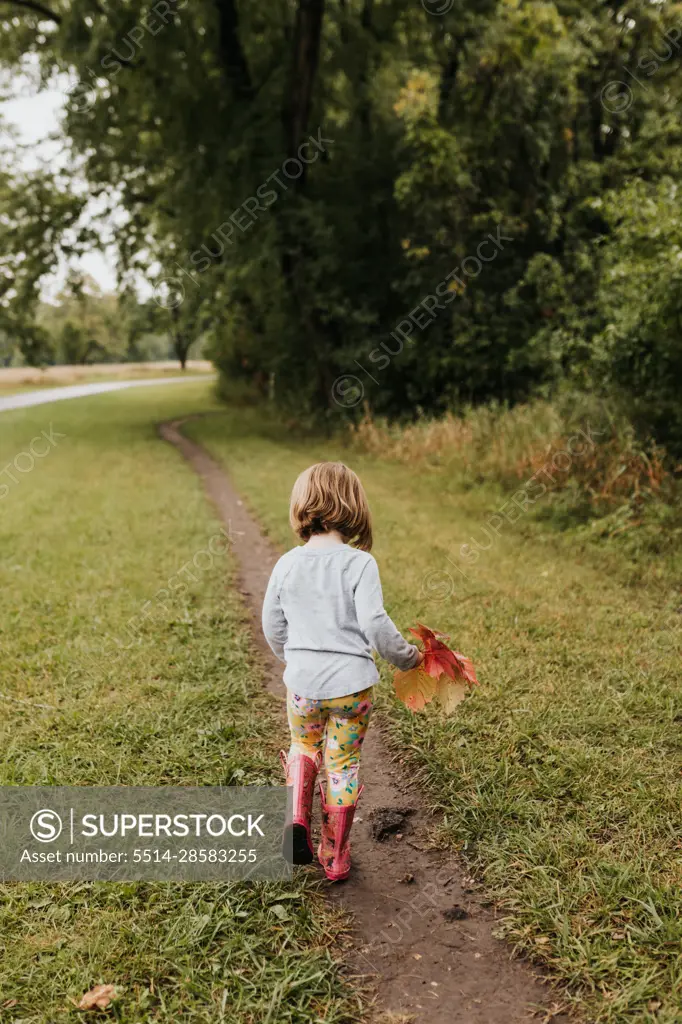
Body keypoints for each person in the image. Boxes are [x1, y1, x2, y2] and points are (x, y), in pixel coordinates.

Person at [262, 461, 423, 881]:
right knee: (343, 762)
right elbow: (374, 623)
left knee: (303, 747)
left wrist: (292, 658)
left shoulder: (287, 564)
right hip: (352, 690)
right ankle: (334, 854)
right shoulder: (359, 565)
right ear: (353, 507)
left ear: (303, 506)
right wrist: (407, 657)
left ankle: (297, 815)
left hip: (303, 686)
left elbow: (272, 624)